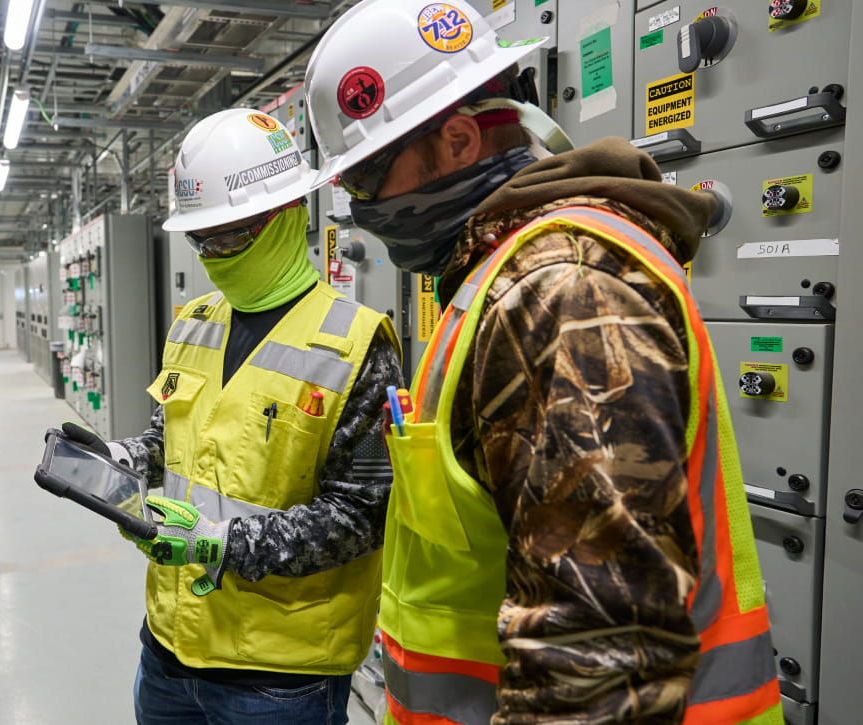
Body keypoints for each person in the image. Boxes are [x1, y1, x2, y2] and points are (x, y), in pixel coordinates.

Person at [303, 1, 781, 723]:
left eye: (367, 180)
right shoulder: (503, 279)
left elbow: (599, 660)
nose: (363, 209)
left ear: (459, 139)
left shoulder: (561, 291)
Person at [54, 107, 402, 723]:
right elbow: (174, 438)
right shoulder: (193, 323)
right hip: (169, 644)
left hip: (279, 673)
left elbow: (361, 517)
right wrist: (122, 461)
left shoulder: (355, 344)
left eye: (232, 234)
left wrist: (218, 544)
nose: (214, 253)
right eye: (201, 237)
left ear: (290, 216)